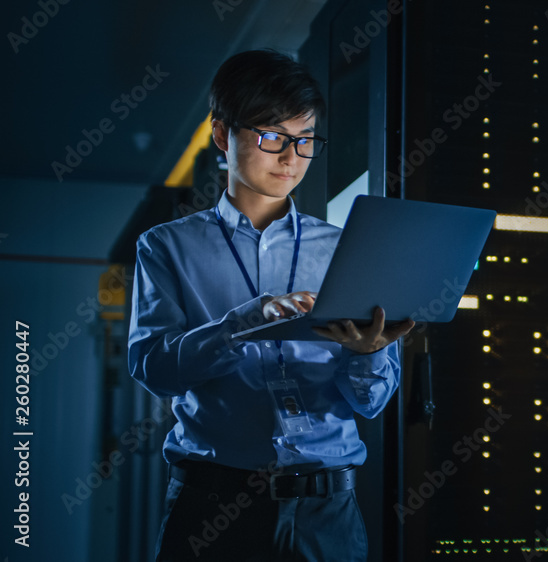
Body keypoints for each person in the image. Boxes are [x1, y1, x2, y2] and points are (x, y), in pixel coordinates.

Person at [128, 49, 413, 561]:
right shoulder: (166, 246)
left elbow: (370, 403)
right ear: (222, 135)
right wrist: (245, 322)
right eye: (273, 137)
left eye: (305, 141)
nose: (291, 158)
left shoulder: (347, 248)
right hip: (212, 503)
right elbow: (155, 370)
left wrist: (369, 351)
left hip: (328, 510)